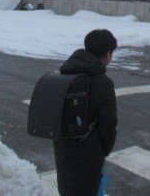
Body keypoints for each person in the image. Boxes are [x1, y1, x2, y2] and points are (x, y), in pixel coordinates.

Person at [54, 29, 118, 196]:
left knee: (68, 188)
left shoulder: (65, 74)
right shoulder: (104, 83)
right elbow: (109, 123)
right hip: (90, 154)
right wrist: (104, 149)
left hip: (63, 147)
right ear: (107, 54)